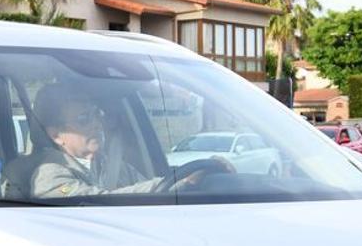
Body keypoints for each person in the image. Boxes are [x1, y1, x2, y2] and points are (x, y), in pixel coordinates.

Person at [30, 83, 228, 198]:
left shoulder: (112, 165)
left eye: (96, 114)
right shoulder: (48, 175)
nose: (97, 124)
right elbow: (97, 201)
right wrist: (182, 181)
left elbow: (155, 189)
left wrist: (196, 175)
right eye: (84, 119)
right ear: (56, 135)